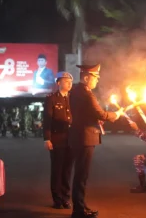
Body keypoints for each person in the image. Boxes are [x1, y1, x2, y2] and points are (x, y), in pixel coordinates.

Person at [68, 64, 124, 218]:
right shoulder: (86, 93)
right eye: (95, 78)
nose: (97, 81)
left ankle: (81, 206)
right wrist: (115, 115)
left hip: (79, 136)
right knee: (81, 175)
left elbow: (88, 113)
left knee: (81, 174)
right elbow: (100, 113)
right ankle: (79, 211)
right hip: (84, 137)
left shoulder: (75, 91)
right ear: (86, 77)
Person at [43, 72, 74, 209]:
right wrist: (47, 139)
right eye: (66, 81)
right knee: (57, 169)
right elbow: (47, 120)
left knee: (68, 169)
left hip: (72, 139)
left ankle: (66, 198)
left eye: (70, 81)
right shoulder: (52, 99)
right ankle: (57, 199)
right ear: (58, 83)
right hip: (57, 138)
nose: (69, 83)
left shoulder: (73, 98)